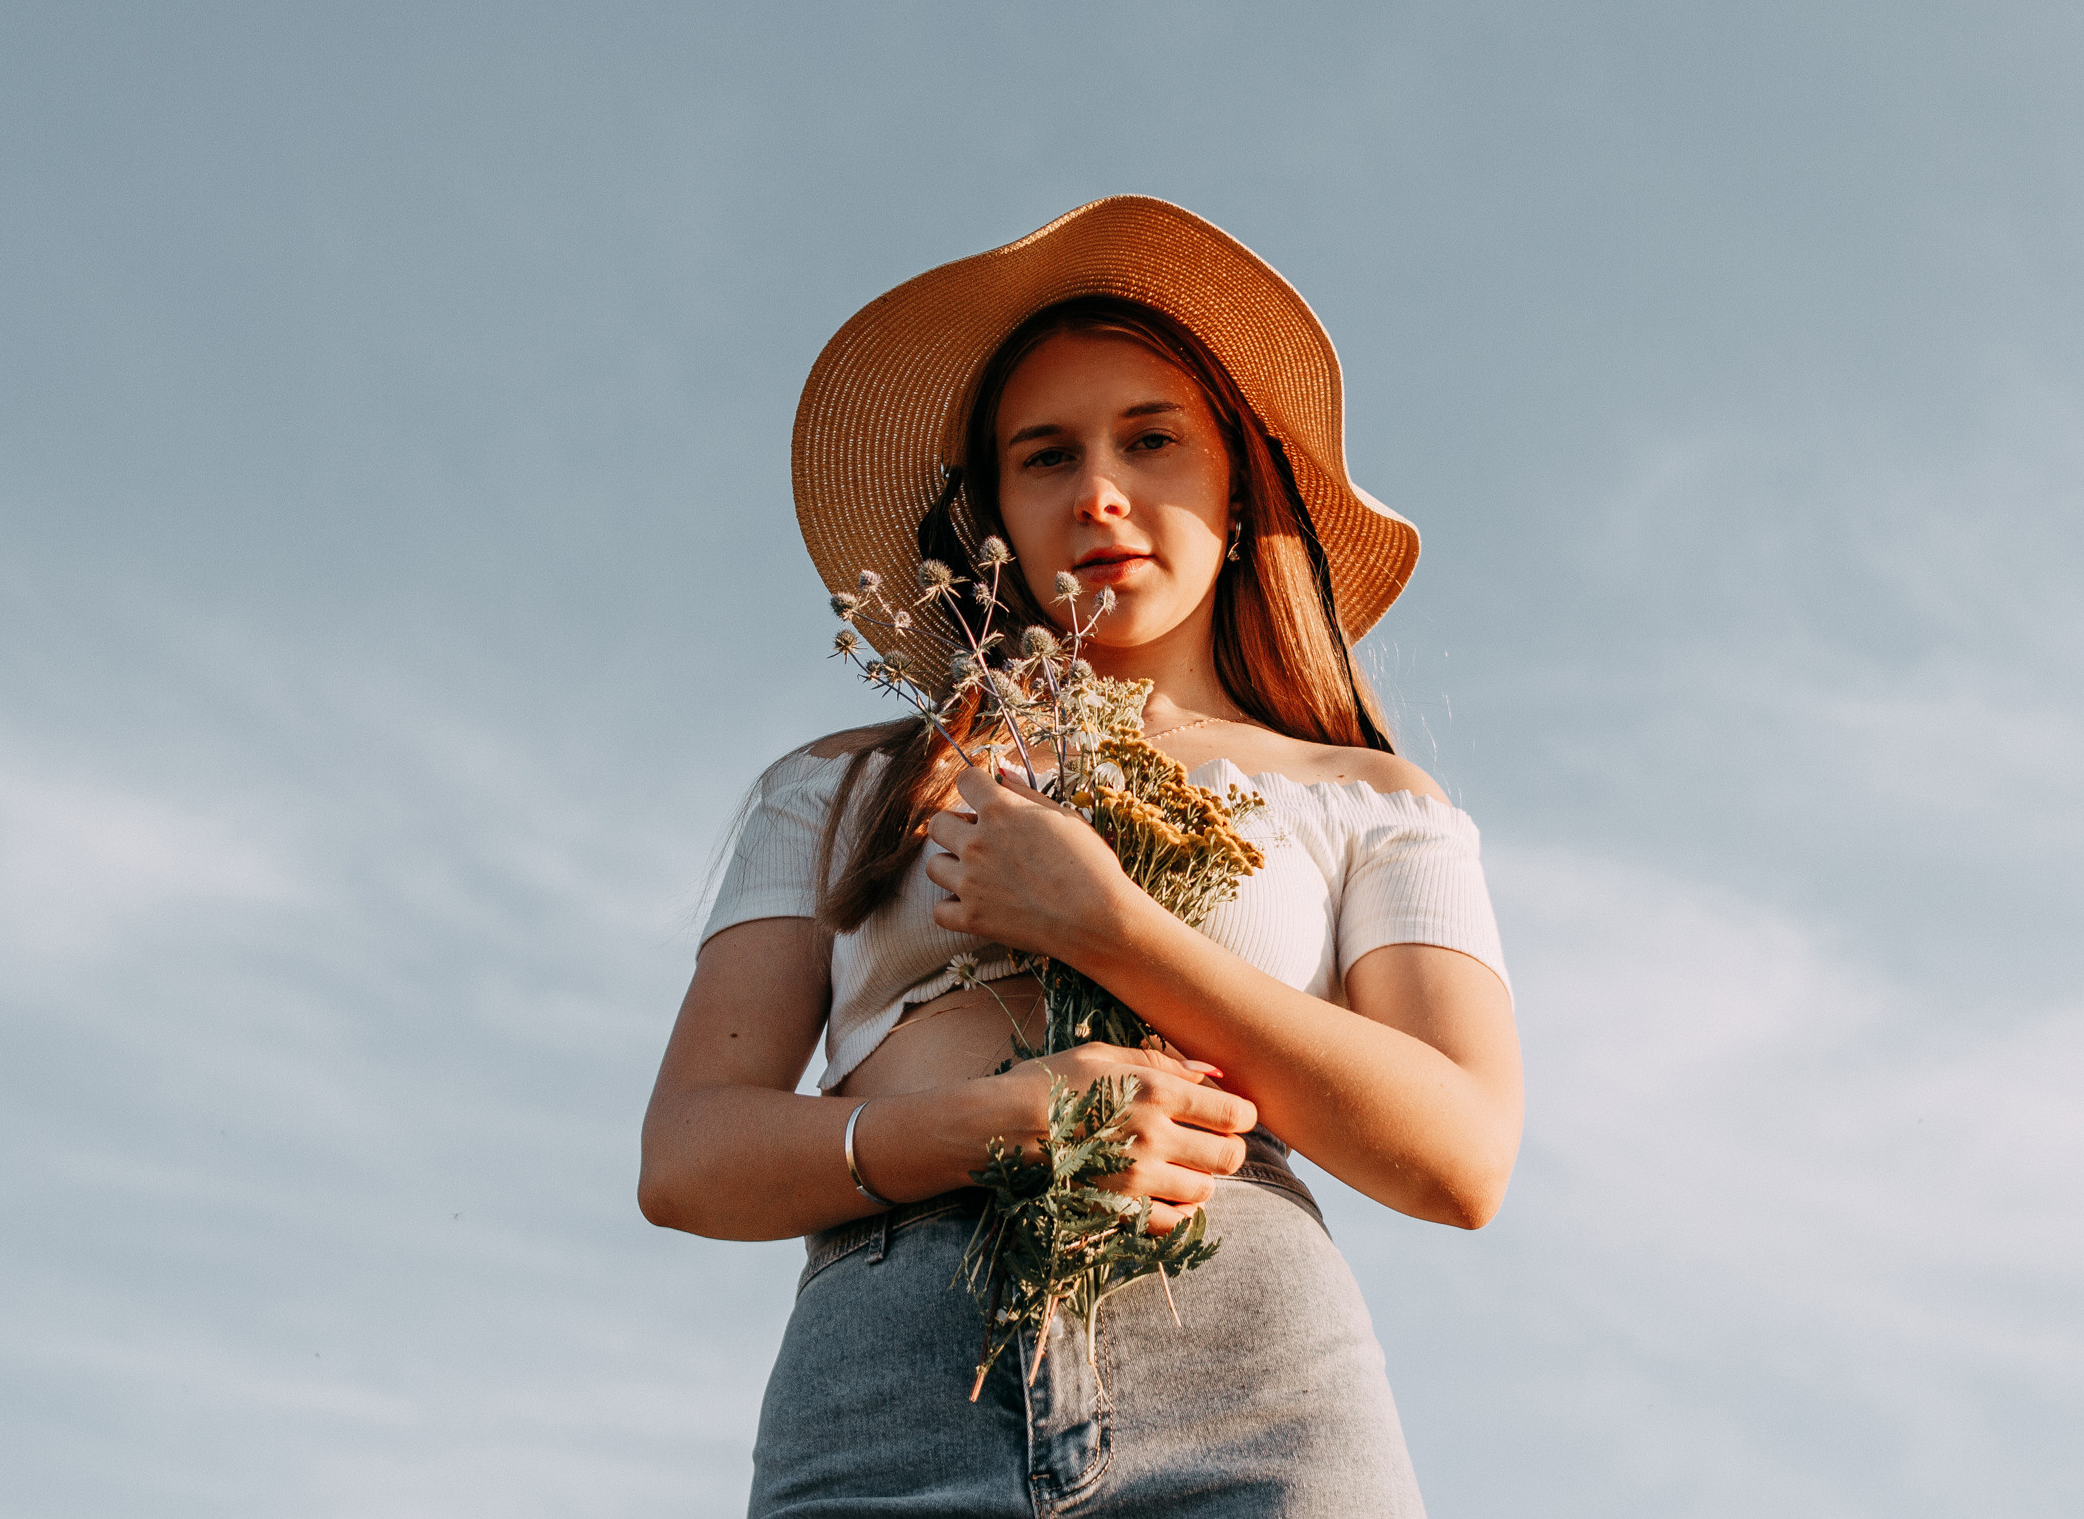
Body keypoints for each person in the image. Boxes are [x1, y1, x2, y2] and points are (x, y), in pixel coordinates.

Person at [640, 196, 1523, 1517]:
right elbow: (689, 1159)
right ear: (989, 507)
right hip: (887, 1393)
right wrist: (991, 1128)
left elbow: (1460, 1156)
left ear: (1239, 478)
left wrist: (1112, 928)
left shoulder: (1372, 800)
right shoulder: (838, 791)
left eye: (1152, 439)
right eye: (1044, 457)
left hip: (1250, 1386)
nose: (1100, 491)